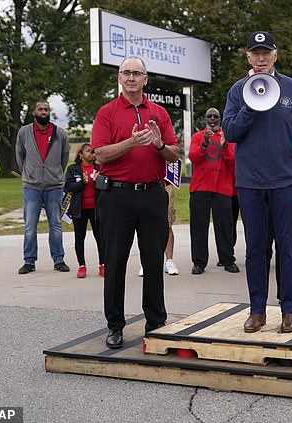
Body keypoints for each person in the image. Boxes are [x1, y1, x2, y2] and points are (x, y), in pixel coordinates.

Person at [222, 31, 292, 334]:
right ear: (248, 57)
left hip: (285, 179)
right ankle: (257, 310)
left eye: (265, 53)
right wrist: (251, 105)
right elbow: (231, 132)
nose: (260, 58)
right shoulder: (238, 91)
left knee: (287, 246)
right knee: (255, 249)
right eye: (255, 53)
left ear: (275, 55)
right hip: (250, 181)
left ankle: (289, 308)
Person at [92, 56, 180, 348]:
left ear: (146, 80)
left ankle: (156, 322)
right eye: (126, 73)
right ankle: (115, 325)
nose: (131, 77)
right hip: (117, 196)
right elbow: (100, 155)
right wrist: (131, 142)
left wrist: (157, 144)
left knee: (153, 260)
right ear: (119, 78)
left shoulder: (159, 113)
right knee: (115, 261)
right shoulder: (107, 112)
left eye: (137, 73)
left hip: (153, 194)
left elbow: (174, 153)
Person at [15, 100, 70, 274]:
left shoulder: (59, 133)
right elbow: (20, 155)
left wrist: (54, 174)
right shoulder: (24, 132)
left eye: (46, 109)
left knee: (55, 224)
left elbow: (64, 157)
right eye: (40, 109)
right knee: (30, 226)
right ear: (34, 112)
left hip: (54, 186)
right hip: (31, 186)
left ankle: (59, 260)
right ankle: (29, 261)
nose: (43, 112)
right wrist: (30, 173)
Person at [188, 108, 239, 275]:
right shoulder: (198, 136)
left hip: (222, 188)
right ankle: (199, 262)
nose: (212, 119)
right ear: (205, 119)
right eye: (209, 116)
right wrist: (204, 143)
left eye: (215, 116)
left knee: (224, 227)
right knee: (198, 227)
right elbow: (193, 157)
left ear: (220, 119)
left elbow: (233, 163)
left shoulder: (227, 137)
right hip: (200, 188)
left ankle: (227, 260)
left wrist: (224, 147)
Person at [64, 143, 104, 278]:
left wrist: (100, 180)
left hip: (96, 209)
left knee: (100, 237)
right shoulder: (73, 169)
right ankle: (82, 266)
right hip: (79, 209)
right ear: (81, 155)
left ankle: (102, 265)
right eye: (88, 151)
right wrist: (82, 182)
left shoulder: (99, 168)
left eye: (93, 151)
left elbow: (107, 185)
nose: (92, 153)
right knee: (79, 238)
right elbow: (69, 186)